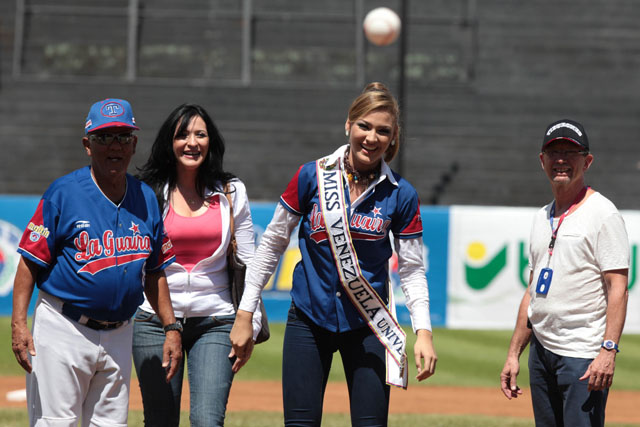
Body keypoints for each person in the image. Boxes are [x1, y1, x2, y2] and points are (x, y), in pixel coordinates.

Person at [230, 82, 437, 426]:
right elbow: (271, 245)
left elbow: (413, 270)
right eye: (364, 126)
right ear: (348, 125)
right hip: (308, 320)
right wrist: (245, 313)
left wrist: (424, 332)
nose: (372, 138)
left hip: (369, 325)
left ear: (393, 137)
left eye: (383, 131)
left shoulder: (401, 194)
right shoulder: (311, 175)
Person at [10, 98, 182, 426]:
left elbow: (155, 271)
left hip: (120, 331)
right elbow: (28, 263)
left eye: (122, 136)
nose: (114, 145)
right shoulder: (63, 193)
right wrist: (19, 324)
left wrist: (171, 326)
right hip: (64, 328)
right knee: (56, 422)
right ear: (88, 145)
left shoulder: (146, 198)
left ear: (133, 144)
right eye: (104, 137)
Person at [133, 103, 261, 427]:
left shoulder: (232, 192)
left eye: (200, 134)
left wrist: (252, 325)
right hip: (154, 322)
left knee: (207, 420)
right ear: (169, 142)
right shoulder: (148, 192)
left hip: (216, 320)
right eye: (183, 135)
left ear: (210, 141)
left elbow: (249, 263)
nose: (192, 142)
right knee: (160, 421)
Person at [500, 119, 630, 426]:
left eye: (570, 153)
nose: (561, 159)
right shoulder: (541, 217)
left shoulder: (603, 214)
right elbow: (533, 291)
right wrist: (513, 354)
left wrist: (608, 350)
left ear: (587, 161)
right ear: (541, 160)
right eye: (553, 151)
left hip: (582, 356)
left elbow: (618, 287)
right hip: (542, 353)